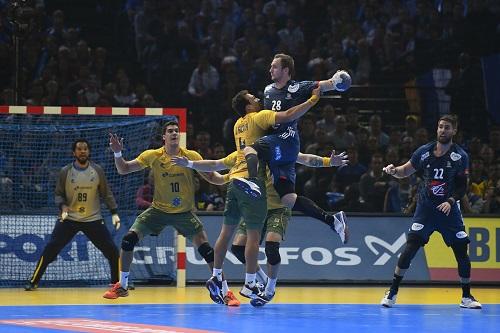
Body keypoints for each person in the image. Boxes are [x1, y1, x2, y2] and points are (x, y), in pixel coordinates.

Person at [172, 87, 329, 306]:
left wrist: (189, 163)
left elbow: (216, 169)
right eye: (253, 98)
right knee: (255, 237)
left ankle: (216, 275)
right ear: (248, 106)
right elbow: (288, 115)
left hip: (234, 180)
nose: (258, 98)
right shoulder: (259, 118)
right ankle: (250, 283)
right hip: (253, 183)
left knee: (226, 233)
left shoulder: (238, 127)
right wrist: (312, 99)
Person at [103, 121, 240, 307]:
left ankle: (226, 292)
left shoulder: (191, 157)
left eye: (176, 130)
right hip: (158, 211)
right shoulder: (153, 156)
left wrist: (230, 176)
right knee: (128, 240)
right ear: (164, 137)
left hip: (184, 213)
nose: (174, 133)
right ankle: (123, 285)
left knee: (207, 250)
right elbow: (123, 169)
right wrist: (118, 153)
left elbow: (213, 178)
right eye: (170, 131)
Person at [235, 53, 350, 243]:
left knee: (251, 150)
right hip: (278, 150)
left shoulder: (297, 87)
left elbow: (326, 85)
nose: (270, 69)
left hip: (285, 140)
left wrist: (338, 78)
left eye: (274, 66)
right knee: (288, 198)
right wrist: (329, 161)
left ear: (286, 70)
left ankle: (252, 183)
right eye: (271, 66)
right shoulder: (267, 90)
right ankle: (333, 221)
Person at [380, 115, 481, 309]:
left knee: (461, 250)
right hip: (426, 210)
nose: (443, 130)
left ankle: (466, 297)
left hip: (448, 211)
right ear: (437, 129)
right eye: (440, 127)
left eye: (447, 127)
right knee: (410, 249)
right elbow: (405, 171)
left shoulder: (460, 156)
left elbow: (462, 188)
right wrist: (394, 170)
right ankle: (392, 292)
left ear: (454, 131)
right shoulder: (424, 152)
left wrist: (451, 201)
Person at [25, 139, 121, 291]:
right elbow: (58, 194)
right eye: (79, 149)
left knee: (112, 251)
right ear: (73, 153)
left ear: (89, 152)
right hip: (69, 219)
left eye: (85, 149)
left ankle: (117, 284)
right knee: (50, 250)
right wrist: (63, 207)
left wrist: (114, 212)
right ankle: (33, 281)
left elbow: (106, 193)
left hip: (93, 219)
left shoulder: (97, 170)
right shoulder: (65, 171)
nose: (82, 151)